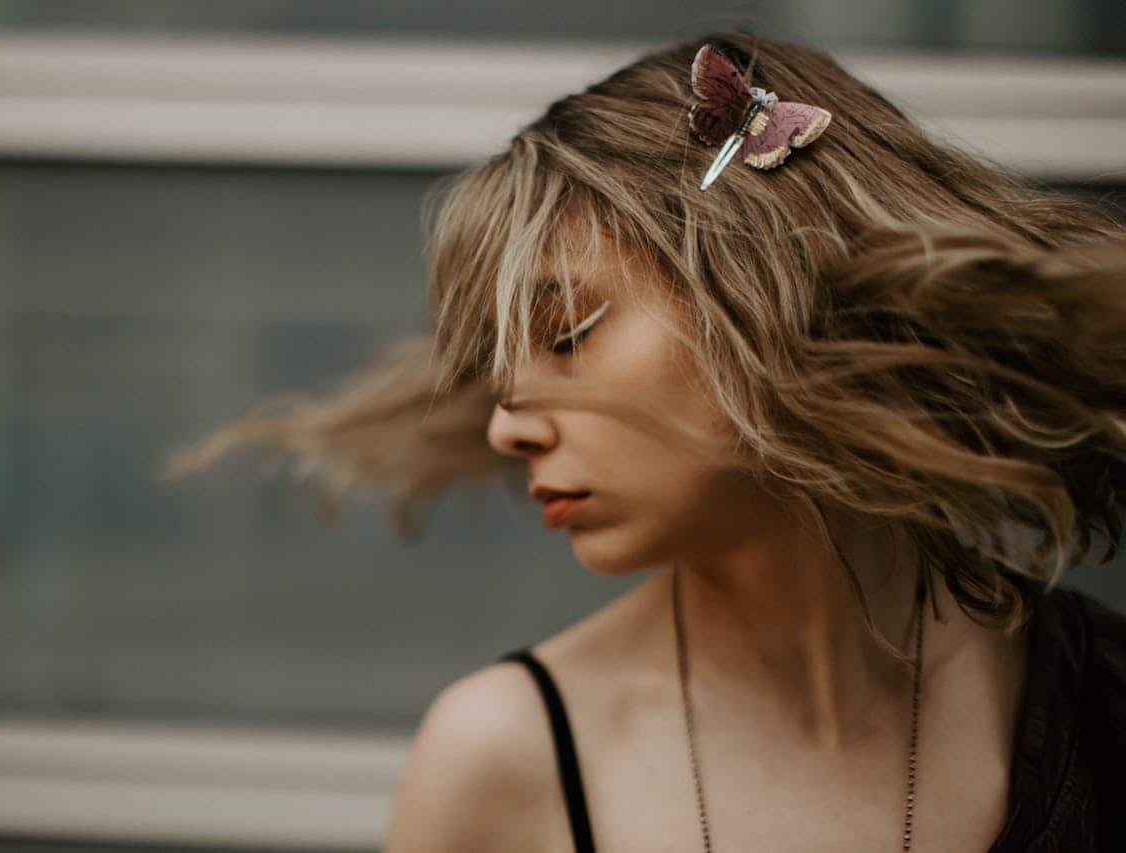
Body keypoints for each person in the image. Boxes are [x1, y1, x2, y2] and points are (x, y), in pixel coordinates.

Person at [162, 31, 1126, 852]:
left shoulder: (1098, 697)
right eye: (496, 372)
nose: (506, 426)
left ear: (771, 293)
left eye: (569, 331)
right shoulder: (505, 753)